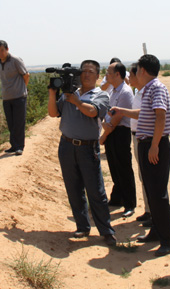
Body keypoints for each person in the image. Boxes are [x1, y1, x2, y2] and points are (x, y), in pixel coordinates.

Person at [112, 54, 170, 257]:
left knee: (158, 194)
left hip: (153, 145)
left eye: (136, 70)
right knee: (151, 192)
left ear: (142, 71)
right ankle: (156, 232)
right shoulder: (148, 89)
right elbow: (145, 113)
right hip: (146, 143)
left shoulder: (156, 87)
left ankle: (169, 240)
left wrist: (155, 145)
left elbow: (160, 115)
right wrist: (122, 111)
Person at [47, 60, 117, 246]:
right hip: (67, 146)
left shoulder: (101, 95)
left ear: (97, 76)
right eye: (83, 71)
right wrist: (53, 94)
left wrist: (77, 102)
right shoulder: (70, 93)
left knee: (96, 191)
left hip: (87, 148)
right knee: (74, 189)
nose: (86, 74)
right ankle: (82, 227)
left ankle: (106, 230)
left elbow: (94, 112)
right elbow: (54, 113)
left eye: (90, 71)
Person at [100, 62, 137, 218]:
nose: (106, 75)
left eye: (109, 72)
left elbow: (117, 118)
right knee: (114, 167)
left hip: (120, 132)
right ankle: (117, 198)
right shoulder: (113, 91)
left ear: (117, 74)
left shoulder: (125, 92)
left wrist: (104, 135)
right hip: (111, 131)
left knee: (123, 168)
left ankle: (129, 204)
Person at [0, 40, 30, 156]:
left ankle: (20, 146)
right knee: (11, 123)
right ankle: (14, 146)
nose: (0, 53)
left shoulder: (15, 60)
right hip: (6, 98)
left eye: (2, 50)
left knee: (19, 122)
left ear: (7, 49)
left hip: (19, 96)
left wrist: (23, 88)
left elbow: (26, 75)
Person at [128, 63, 151, 225]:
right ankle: (149, 210)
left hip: (145, 139)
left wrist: (121, 111)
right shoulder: (138, 92)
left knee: (149, 177)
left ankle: (153, 213)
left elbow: (143, 114)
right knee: (143, 176)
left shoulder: (146, 92)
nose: (129, 78)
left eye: (131, 74)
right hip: (137, 138)